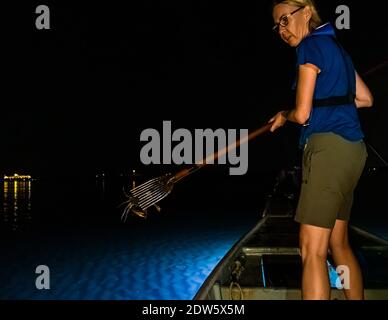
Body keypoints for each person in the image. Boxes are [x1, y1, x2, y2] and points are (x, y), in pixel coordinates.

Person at [268, 0, 374, 300]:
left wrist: (283, 115)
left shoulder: (310, 46)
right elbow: (366, 99)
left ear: (306, 11)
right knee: (338, 243)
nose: (282, 30)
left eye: (285, 19)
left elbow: (301, 115)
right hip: (353, 152)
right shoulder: (338, 50)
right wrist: (331, 102)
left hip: (328, 150)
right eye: (277, 25)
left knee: (311, 249)